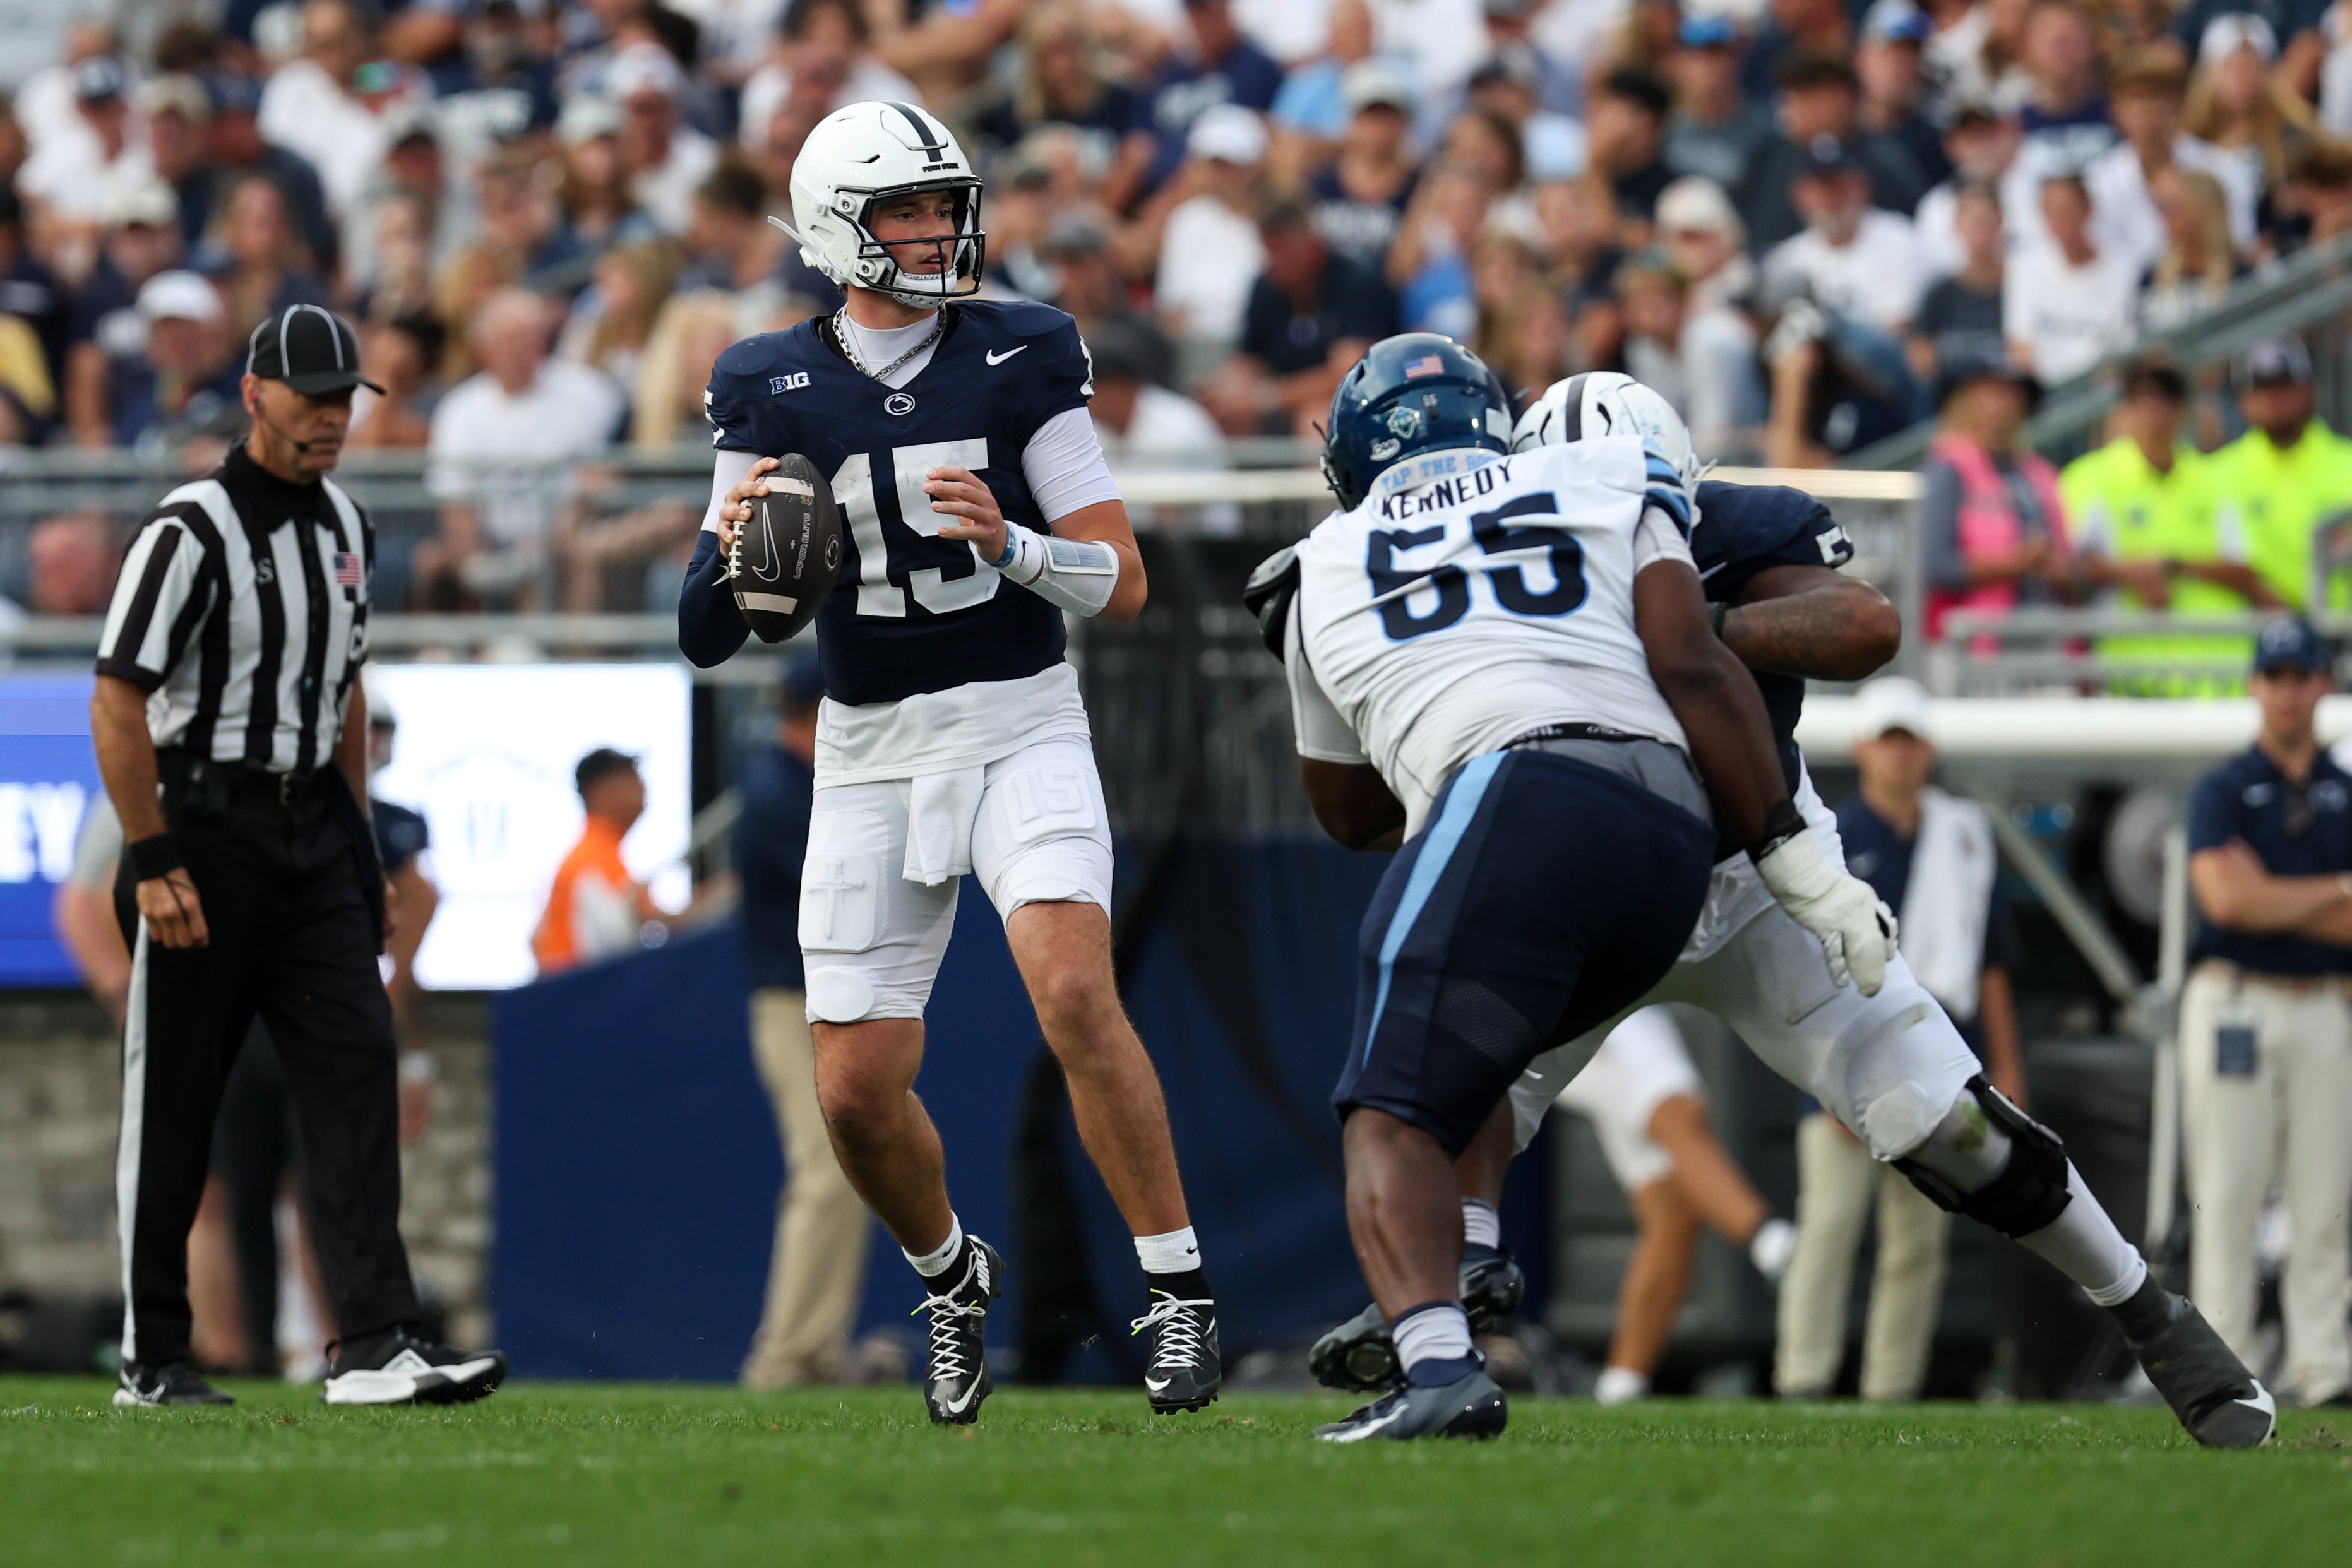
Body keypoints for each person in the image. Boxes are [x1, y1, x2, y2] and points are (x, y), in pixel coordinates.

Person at [1297, 369, 2276, 1450]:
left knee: (1949, 1123)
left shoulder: (1690, 518)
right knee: (1461, 1082)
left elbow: (1863, 624)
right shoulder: (1520, 535)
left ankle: (2148, 1310)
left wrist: (1691, 618)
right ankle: (1457, 1280)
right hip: (1598, 859)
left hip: (1757, 876)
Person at [679, 100, 1221, 1425]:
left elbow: (1125, 579)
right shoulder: (763, 382)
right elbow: (702, 634)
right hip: (865, 752)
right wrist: (745, 556)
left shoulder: (1023, 350)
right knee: (855, 1092)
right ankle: (946, 1274)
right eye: (903, 211)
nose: (935, 230)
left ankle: (1176, 1293)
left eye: (941, 203)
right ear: (833, 231)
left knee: (1069, 989)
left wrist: (1016, 548)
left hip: (1019, 715)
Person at [1269, 350, 1898, 1442]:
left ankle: (1437, 1354)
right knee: (1497, 1082)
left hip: (1519, 789)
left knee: (1394, 1103)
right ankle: (1470, 1261)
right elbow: (1693, 670)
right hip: (1674, 831)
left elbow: (1346, 811)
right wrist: (1801, 859)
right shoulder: (1608, 483)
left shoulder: (1328, 554)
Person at [89, 302, 504, 1408]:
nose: (329, 418)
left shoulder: (348, 527)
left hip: (313, 822)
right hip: (205, 819)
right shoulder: (188, 526)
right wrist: (152, 853)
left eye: (343, 399)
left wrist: (360, 849)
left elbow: (348, 688)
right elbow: (117, 696)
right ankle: (156, 1353)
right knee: (177, 1095)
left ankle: (372, 1339)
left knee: (357, 1062)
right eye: (310, 396)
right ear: (255, 392)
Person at [1776, 676, 2023, 1403]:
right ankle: (1802, 1378)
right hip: (1844, 1058)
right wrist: (1823, 1074)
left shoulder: (1962, 837)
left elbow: (1988, 961)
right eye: (1888, 740)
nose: (1899, 755)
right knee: (1828, 1229)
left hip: (1934, 1063)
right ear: (1862, 749)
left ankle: (1891, 1387)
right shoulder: (1829, 836)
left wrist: (2005, 1064)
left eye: (1909, 740)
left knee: (1916, 1243)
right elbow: (1798, 968)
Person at [2183, 619, 2352, 1408]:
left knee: (2324, 1197)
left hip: (2323, 1002)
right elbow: (2220, 899)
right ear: (2256, 685)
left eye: (2300, 675)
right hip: (2238, 998)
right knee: (2229, 1191)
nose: (2287, 690)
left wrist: (2266, 899)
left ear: (2321, 683)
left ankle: (2323, 1369)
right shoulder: (2221, 787)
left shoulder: (2342, 791)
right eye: (2275, 675)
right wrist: (2334, 891)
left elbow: (2248, 898)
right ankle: (2228, 1372)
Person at [736, 655, 871, 1389]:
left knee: (846, 1171)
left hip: (819, 998)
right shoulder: (780, 792)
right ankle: (783, 1357)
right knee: (824, 1170)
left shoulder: (798, 783)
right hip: (793, 1003)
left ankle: (816, 1350)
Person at [1555, 1007, 1796, 1406]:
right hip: (1583, 1008)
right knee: (1677, 1112)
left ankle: (1622, 1384)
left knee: (1672, 1210)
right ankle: (1772, 1242)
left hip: (1606, 1006)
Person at [2062, 359, 2276, 691]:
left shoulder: (2215, 480)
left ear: (2182, 410)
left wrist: (2170, 566)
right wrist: (2127, 572)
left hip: (2216, 678)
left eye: (2166, 400)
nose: (2155, 414)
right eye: (2143, 401)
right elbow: (2064, 570)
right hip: (2129, 679)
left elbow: (2247, 567)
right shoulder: (2088, 479)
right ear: (2124, 410)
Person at [417, 289, 625, 610]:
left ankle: (578, 658)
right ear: (485, 348)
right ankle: (437, 656)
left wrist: (564, 526)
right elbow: (455, 503)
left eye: (534, 336)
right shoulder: (459, 409)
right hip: (490, 539)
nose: (529, 348)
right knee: (432, 561)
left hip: (564, 534)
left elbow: (603, 475)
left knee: (580, 551)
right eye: (514, 339)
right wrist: (475, 560)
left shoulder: (591, 393)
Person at [1920, 351, 2070, 640]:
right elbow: (1934, 565)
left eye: (2013, 394)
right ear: (1960, 402)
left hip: (2046, 642)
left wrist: (2064, 570)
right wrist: (2019, 562)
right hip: (1970, 647)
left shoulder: (2041, 473)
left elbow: (2068, 559)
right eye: (1993, 393)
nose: (2005, 405)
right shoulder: (1946, 470)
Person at [2208, 339, 2352, 612]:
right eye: (2262, 389)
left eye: (2285, 387)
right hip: (2252, 640)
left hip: (2341, 637)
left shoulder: (2348, 463)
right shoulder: (2216, 474)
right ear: (2244, 400)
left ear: (2310, 390)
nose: (2274, 400)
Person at [532, 749, 662, 975]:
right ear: (599, 790)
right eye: (629, 777)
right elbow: (645, 920)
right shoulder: (591, 858)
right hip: (577, 995)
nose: (641, 786)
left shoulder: (599, 852)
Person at [2004, 171, 2137, 385]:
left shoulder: (2124, 270)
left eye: (2068, 209)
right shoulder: (2025, 267)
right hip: (2045, 394)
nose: (2061, 219)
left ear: (2089, 209)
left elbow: (2121, 348)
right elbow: (2020, 345)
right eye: (2052, 211)